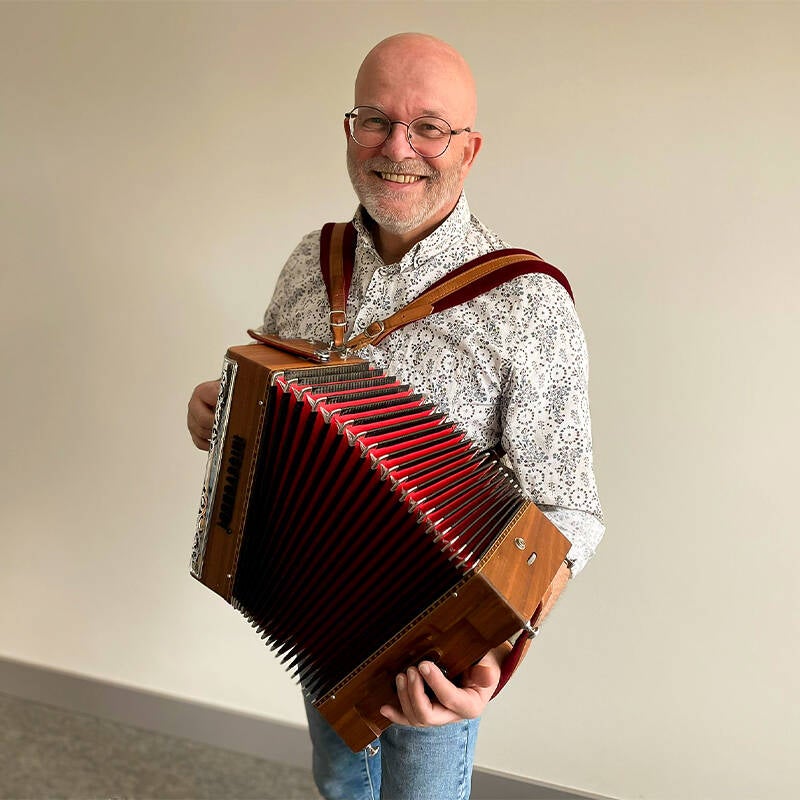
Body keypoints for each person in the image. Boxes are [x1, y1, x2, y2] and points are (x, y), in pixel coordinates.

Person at [187, 32, 604, 800]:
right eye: (375, 120)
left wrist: (495, 658)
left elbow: (567, 510)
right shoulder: (312, 261)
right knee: (339, 782)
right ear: (350, 130)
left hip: (435, 653)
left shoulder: (528, 302)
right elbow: (273, 404)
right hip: (313, 608)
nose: (397, 147)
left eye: (429, 127)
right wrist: (219, 413)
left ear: (469, 149)